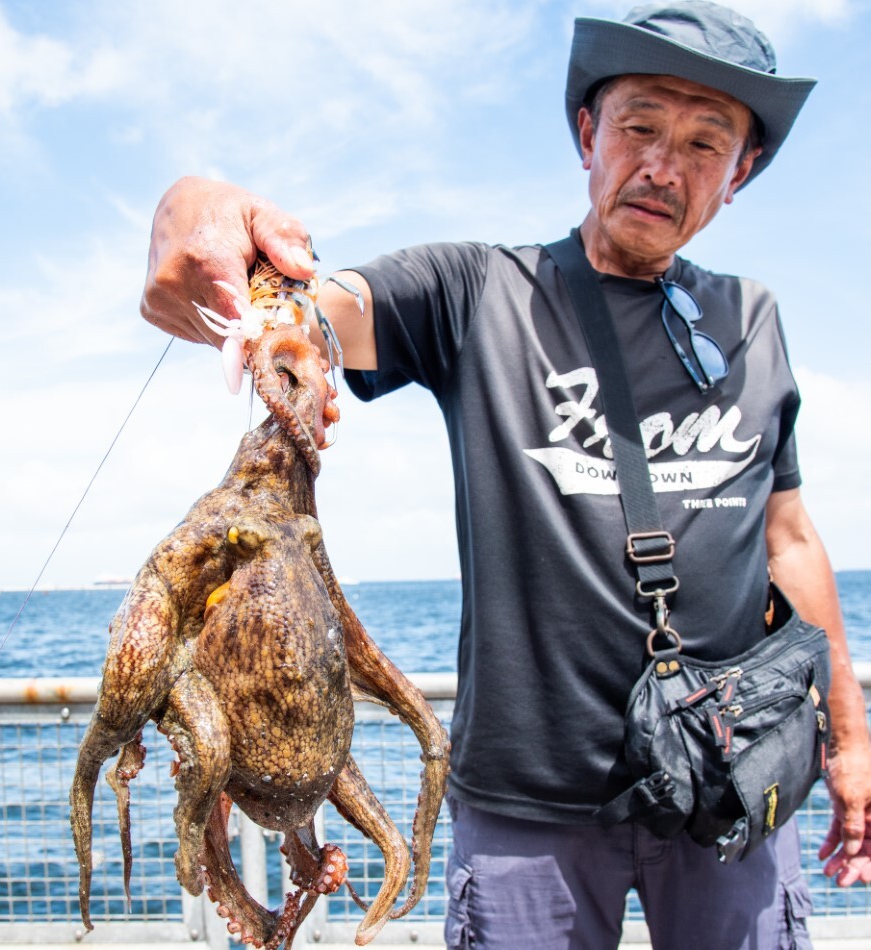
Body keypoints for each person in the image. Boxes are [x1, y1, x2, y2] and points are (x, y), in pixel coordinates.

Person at [139, 3, 871, 947]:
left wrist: (851, 743)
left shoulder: (752, 319)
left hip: (730, 783)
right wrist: (195, 207)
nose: (663, 165)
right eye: (640, 126)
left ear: (740, 174)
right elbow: (321, 308)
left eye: (704, 143)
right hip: (530, 805)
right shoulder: (476, 292)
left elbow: (790, 539)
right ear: (587, 135)